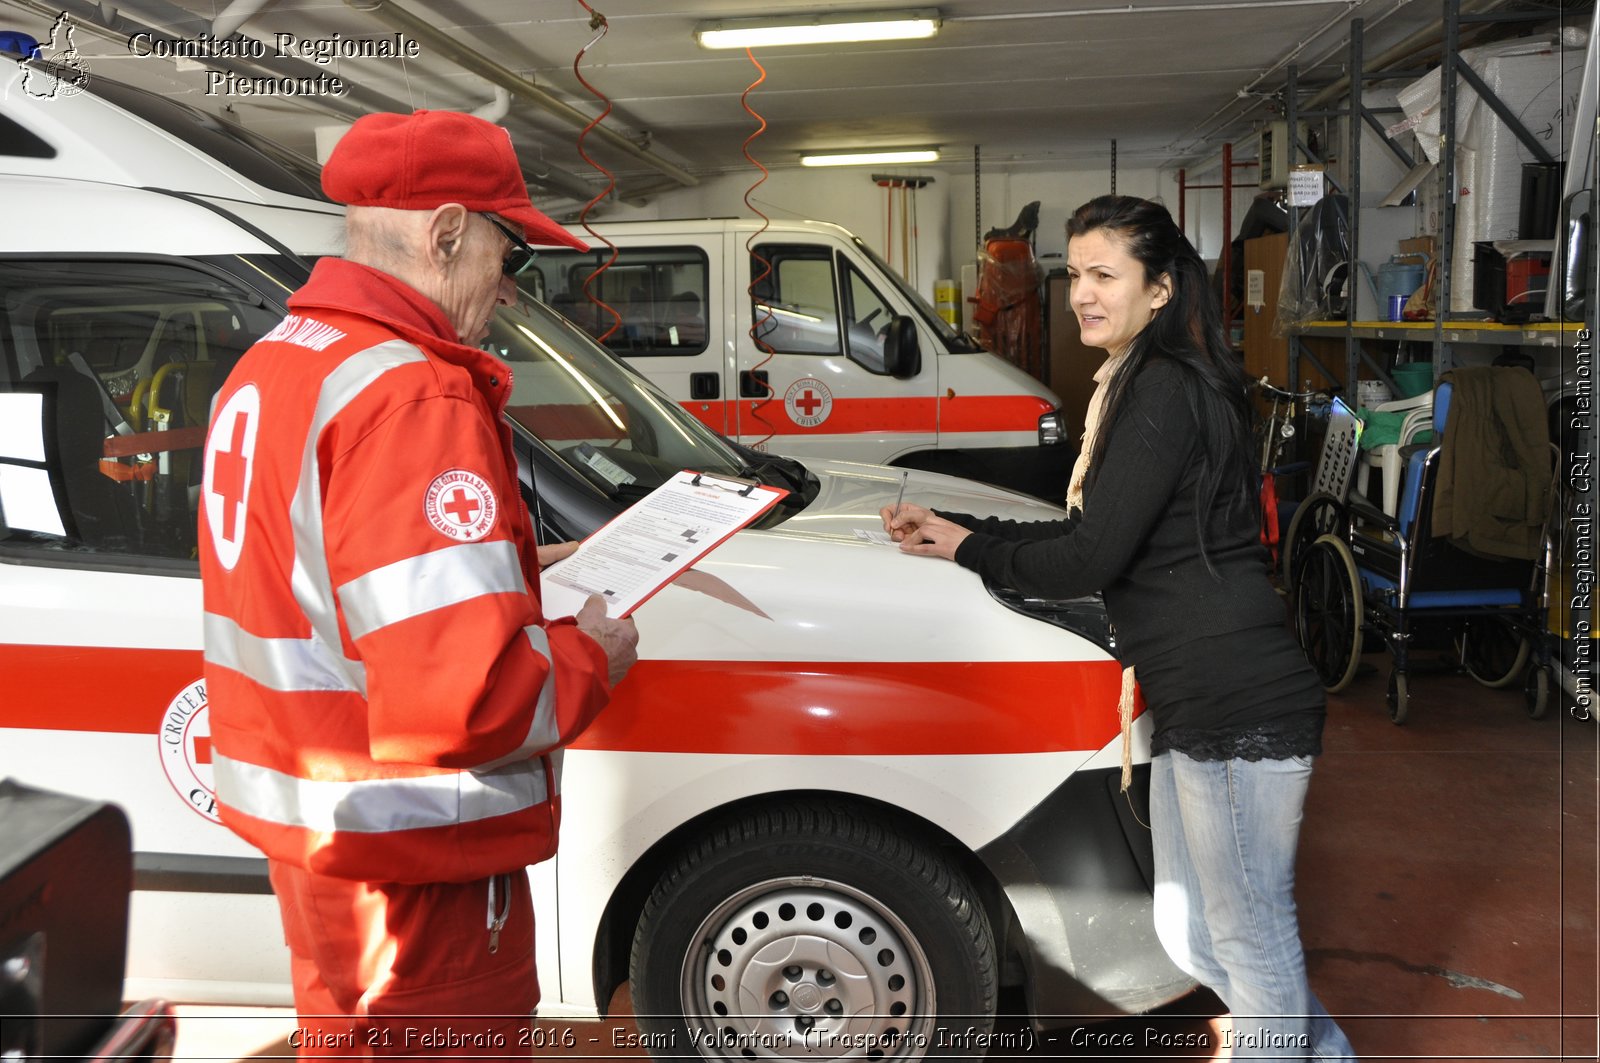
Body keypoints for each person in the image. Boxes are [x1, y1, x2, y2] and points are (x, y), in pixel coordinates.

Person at [197, 109, 639, 1051]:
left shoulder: (276, 363)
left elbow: (329, 580)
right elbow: (466, 704)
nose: (508, 289)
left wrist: (508, 571)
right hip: (418, 868)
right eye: (506, 253)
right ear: (445, 232)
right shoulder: (412, 393)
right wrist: (591, 654)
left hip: (325, 845)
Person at [882, 195, 1356, 1061]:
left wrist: (972, 553)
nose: (1083, 297)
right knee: (1195, 937)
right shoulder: (1137, 382)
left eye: (1106, 275)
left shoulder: (1162, 393)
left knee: (1249, 941)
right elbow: (1086, 533)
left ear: (1161, 289)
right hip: (1192, 701)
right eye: (1077, 277)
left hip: (1238, 701)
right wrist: (962, 536)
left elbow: (1087, 559)